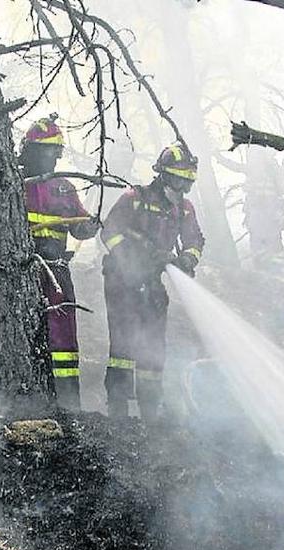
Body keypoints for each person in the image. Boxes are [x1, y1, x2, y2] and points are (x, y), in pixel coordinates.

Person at [0, 116, 99, 409]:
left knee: (63, 336)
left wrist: (91, 226)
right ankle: (24, 403)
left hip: (55, 270)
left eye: (57, 151)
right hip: (17, 270)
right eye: (48, 150)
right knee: (23, 333)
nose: (54, 157)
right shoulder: (9, 183)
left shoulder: (64, 187)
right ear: (30, 150)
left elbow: (78, 225)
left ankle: (69, 405)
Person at [99, 143, 204, 420]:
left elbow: (194, 241)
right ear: (164, 175)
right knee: (122, 343)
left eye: (187, 183)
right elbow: (110, 231)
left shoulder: (184, 209)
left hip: (152, 281)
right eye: (178, 180)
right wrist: (130, 261)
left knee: (154, 345)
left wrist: (187, 260)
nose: (181, 189)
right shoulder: (135, 197)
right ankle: (118, 410)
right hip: (122, 280)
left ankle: (150, 411)